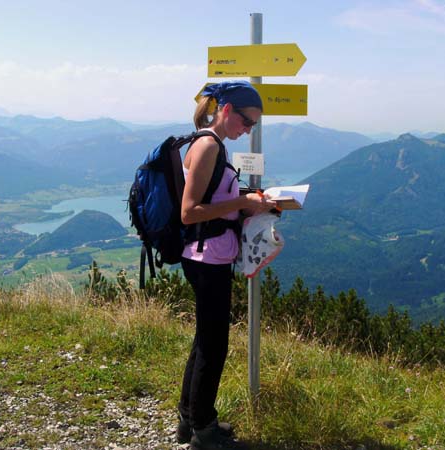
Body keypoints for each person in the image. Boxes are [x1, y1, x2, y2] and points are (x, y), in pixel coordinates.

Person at [176, 80, 276, 450]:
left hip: (207, 256)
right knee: (214, 345)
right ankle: (204, 429)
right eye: (247, 122)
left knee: (205, 340)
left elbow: (214, 196)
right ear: (228, 110)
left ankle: (189, 419)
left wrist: (251, 199)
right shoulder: (207, 147)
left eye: (254, 126)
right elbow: (190, 212)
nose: (248, 130)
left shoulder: (209, 143)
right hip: (208, 259)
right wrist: (242, 206)